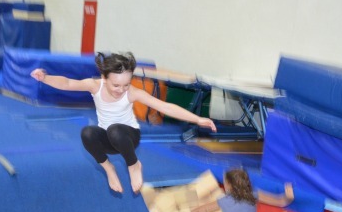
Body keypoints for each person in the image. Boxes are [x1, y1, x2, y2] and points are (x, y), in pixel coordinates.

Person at [31, 52, 217, 194]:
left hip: (128, 137)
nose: (121, 90)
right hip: (109, 140)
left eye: (126, 85)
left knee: (115, 130)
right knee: (87, 133)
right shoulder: (95, 86)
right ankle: (108, 168)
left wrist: (198, 119)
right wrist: (45, 78)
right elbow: (67, 83)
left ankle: (134, 165)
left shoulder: (132, 93)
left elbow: (165, 107)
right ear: (105, 78)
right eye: (116, 85)